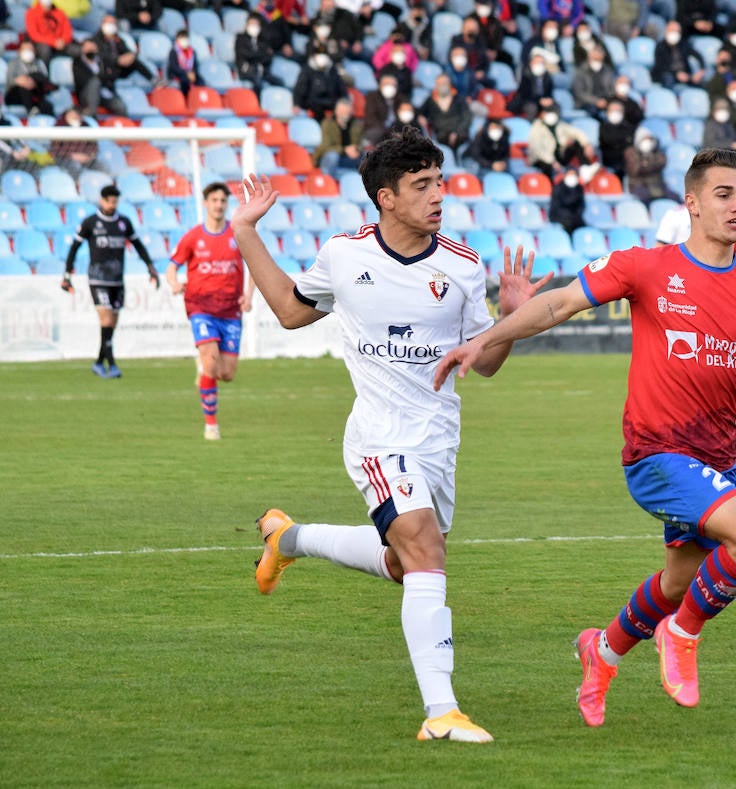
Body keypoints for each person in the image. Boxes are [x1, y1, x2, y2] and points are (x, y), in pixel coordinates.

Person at [428, 147, 736, 728]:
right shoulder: (648, 266)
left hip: (715, 459)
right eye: (724, 194)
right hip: (656, 453)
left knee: (679, 581)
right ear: (692, 204)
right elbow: (558, 304)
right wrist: (485, 338)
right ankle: (681, 636)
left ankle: (600, 652)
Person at [231, 125, 551, 743]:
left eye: (441, 182)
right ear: (386, 196)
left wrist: (508, 319)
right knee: (428, 551)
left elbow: (482, 363)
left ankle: (288, 539)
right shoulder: (346, 255)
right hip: (378, 436)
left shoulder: (461, 267)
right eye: (422, 185)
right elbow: (292, 312)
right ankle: (442, 713)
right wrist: (246, 231)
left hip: (437, 440)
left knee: (408, 566)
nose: (438, 196)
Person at [165, 183, 255, 441]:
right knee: (210, 359)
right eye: (214, 200)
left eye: (222, 200)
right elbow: (172, 267)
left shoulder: (237, 234)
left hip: (229, 310)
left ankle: (203, 367)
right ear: (205, 203)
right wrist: (174, 283)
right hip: (200, 306)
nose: (218, 204)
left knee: (226, 373)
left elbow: (255, 266)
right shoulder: (193, 237)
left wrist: (248, 296)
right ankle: (211, 426)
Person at [61, 185, 160, 379]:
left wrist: (150, 267)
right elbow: (74, 247)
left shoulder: (123, 223)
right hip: (98, 278)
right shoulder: (90, 223)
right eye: (109, 201)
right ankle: (112, 365)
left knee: (111, 324)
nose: (112, 204)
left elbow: (138, 245)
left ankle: (99, 362)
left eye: (115, 201)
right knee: (106, 320)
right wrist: (66, 275)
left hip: (117, 280)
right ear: (102, 200)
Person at [527, 99, 593, 178]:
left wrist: (586, 144)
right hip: (542, 159)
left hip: (559, 155)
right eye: (549, 112)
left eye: (553, 112)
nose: (551, 115)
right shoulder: (537, 127)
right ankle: (549, 185)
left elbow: (577, 132)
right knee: (546, 166)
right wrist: (552, 161)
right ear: (543, 113)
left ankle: (585, 169)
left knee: (577, 143)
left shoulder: (560, 125)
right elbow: (537, 149)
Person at [419, 74, 472, 161]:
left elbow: (466, 117)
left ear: (450, 84)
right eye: (440, 83)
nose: (442, 85)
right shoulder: (430, 100)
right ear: (436, 85)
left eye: (445, 83)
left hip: (459, 133)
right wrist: (421, 117)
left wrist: (456, 132)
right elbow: (420, 112)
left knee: (462, 140)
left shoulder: (459, 99)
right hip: (440, 134)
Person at [314, 97, 365, 177]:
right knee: (333, 156)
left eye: (347, 112)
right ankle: (329, 181)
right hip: (332, 157)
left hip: (349, 158)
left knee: (366, 156)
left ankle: (361, 181)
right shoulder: (327, 124)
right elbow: (325, 147)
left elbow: (361, 144)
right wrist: (345, 150)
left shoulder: (355, 124)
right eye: (342, 112)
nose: (345, 114)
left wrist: (356, 149)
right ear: (336, 111)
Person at [235, 13, 284, 95]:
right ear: (246, 25)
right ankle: (257, 105)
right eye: (252, 24)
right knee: (257, 82)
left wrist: (255, 56)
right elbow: (245, 54)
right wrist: (259, 55)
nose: (254, 27)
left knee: (279, 82)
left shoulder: (261, 40)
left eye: (256, 24)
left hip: (261, 71)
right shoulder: (240, 39)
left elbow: (268, 57)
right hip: (247, 71)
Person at [5, 39, 56, 116]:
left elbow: (44, 80)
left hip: (34, 93)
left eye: (30, 49)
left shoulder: (39, 63)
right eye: (25, 49)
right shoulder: (13, 63)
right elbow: (9, 81)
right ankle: (31, 111)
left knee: (47, 105)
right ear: (19, 51)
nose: (27, 51)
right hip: (15, 95)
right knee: (23, 88)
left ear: (34, 51)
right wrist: (20, 81)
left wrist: (31, 81)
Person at [293, 52, 347, 120]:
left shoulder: (333, 70)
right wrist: (296, 103)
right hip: (313, 105)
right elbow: (300, 89)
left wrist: (344, 101)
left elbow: (341, 88)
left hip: (331, 104)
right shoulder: (307, 70)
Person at [651, 21, 704, 88]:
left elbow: (698, 55)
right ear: (666, 31)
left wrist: (701, 70)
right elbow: (660, 66)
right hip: (667, 74)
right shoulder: (660, 46)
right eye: (672, 30)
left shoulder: (684, 45)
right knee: (668, 78)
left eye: (676, 31)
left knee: (699, 82)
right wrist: (676, 74)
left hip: (684, 75)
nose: (674, 33)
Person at [598, 99, 637, 178]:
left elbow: (631, 143)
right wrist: (623, 140)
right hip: (609, 159)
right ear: (607, 113)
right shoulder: (602, 127)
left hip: (625, 160)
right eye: (612, 110)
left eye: (618, 111)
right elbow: (607, 140)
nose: (615, 113)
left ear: (622, 113)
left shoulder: (629, 127)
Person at [548, 168, 585, 234]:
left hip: (575, 218)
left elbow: (581, 206)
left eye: (574, 174)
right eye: (570, 174)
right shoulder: (558, 188)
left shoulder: (579, 188)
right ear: (565, 175)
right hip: (560, 217)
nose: (571, 176)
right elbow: (556, 207)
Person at [165, 30, 201, 96]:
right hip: (178, 74)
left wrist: (194, 74)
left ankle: (197, 100)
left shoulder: (192, 52)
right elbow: (173, 67)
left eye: (186, 38)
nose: (184, 41)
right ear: (177, 39)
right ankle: (185, 98)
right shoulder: (173, 51)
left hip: (190, 73)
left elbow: (196, 65)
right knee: (185, 79)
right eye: (182, 38)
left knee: (201, 81)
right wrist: (186, 73)